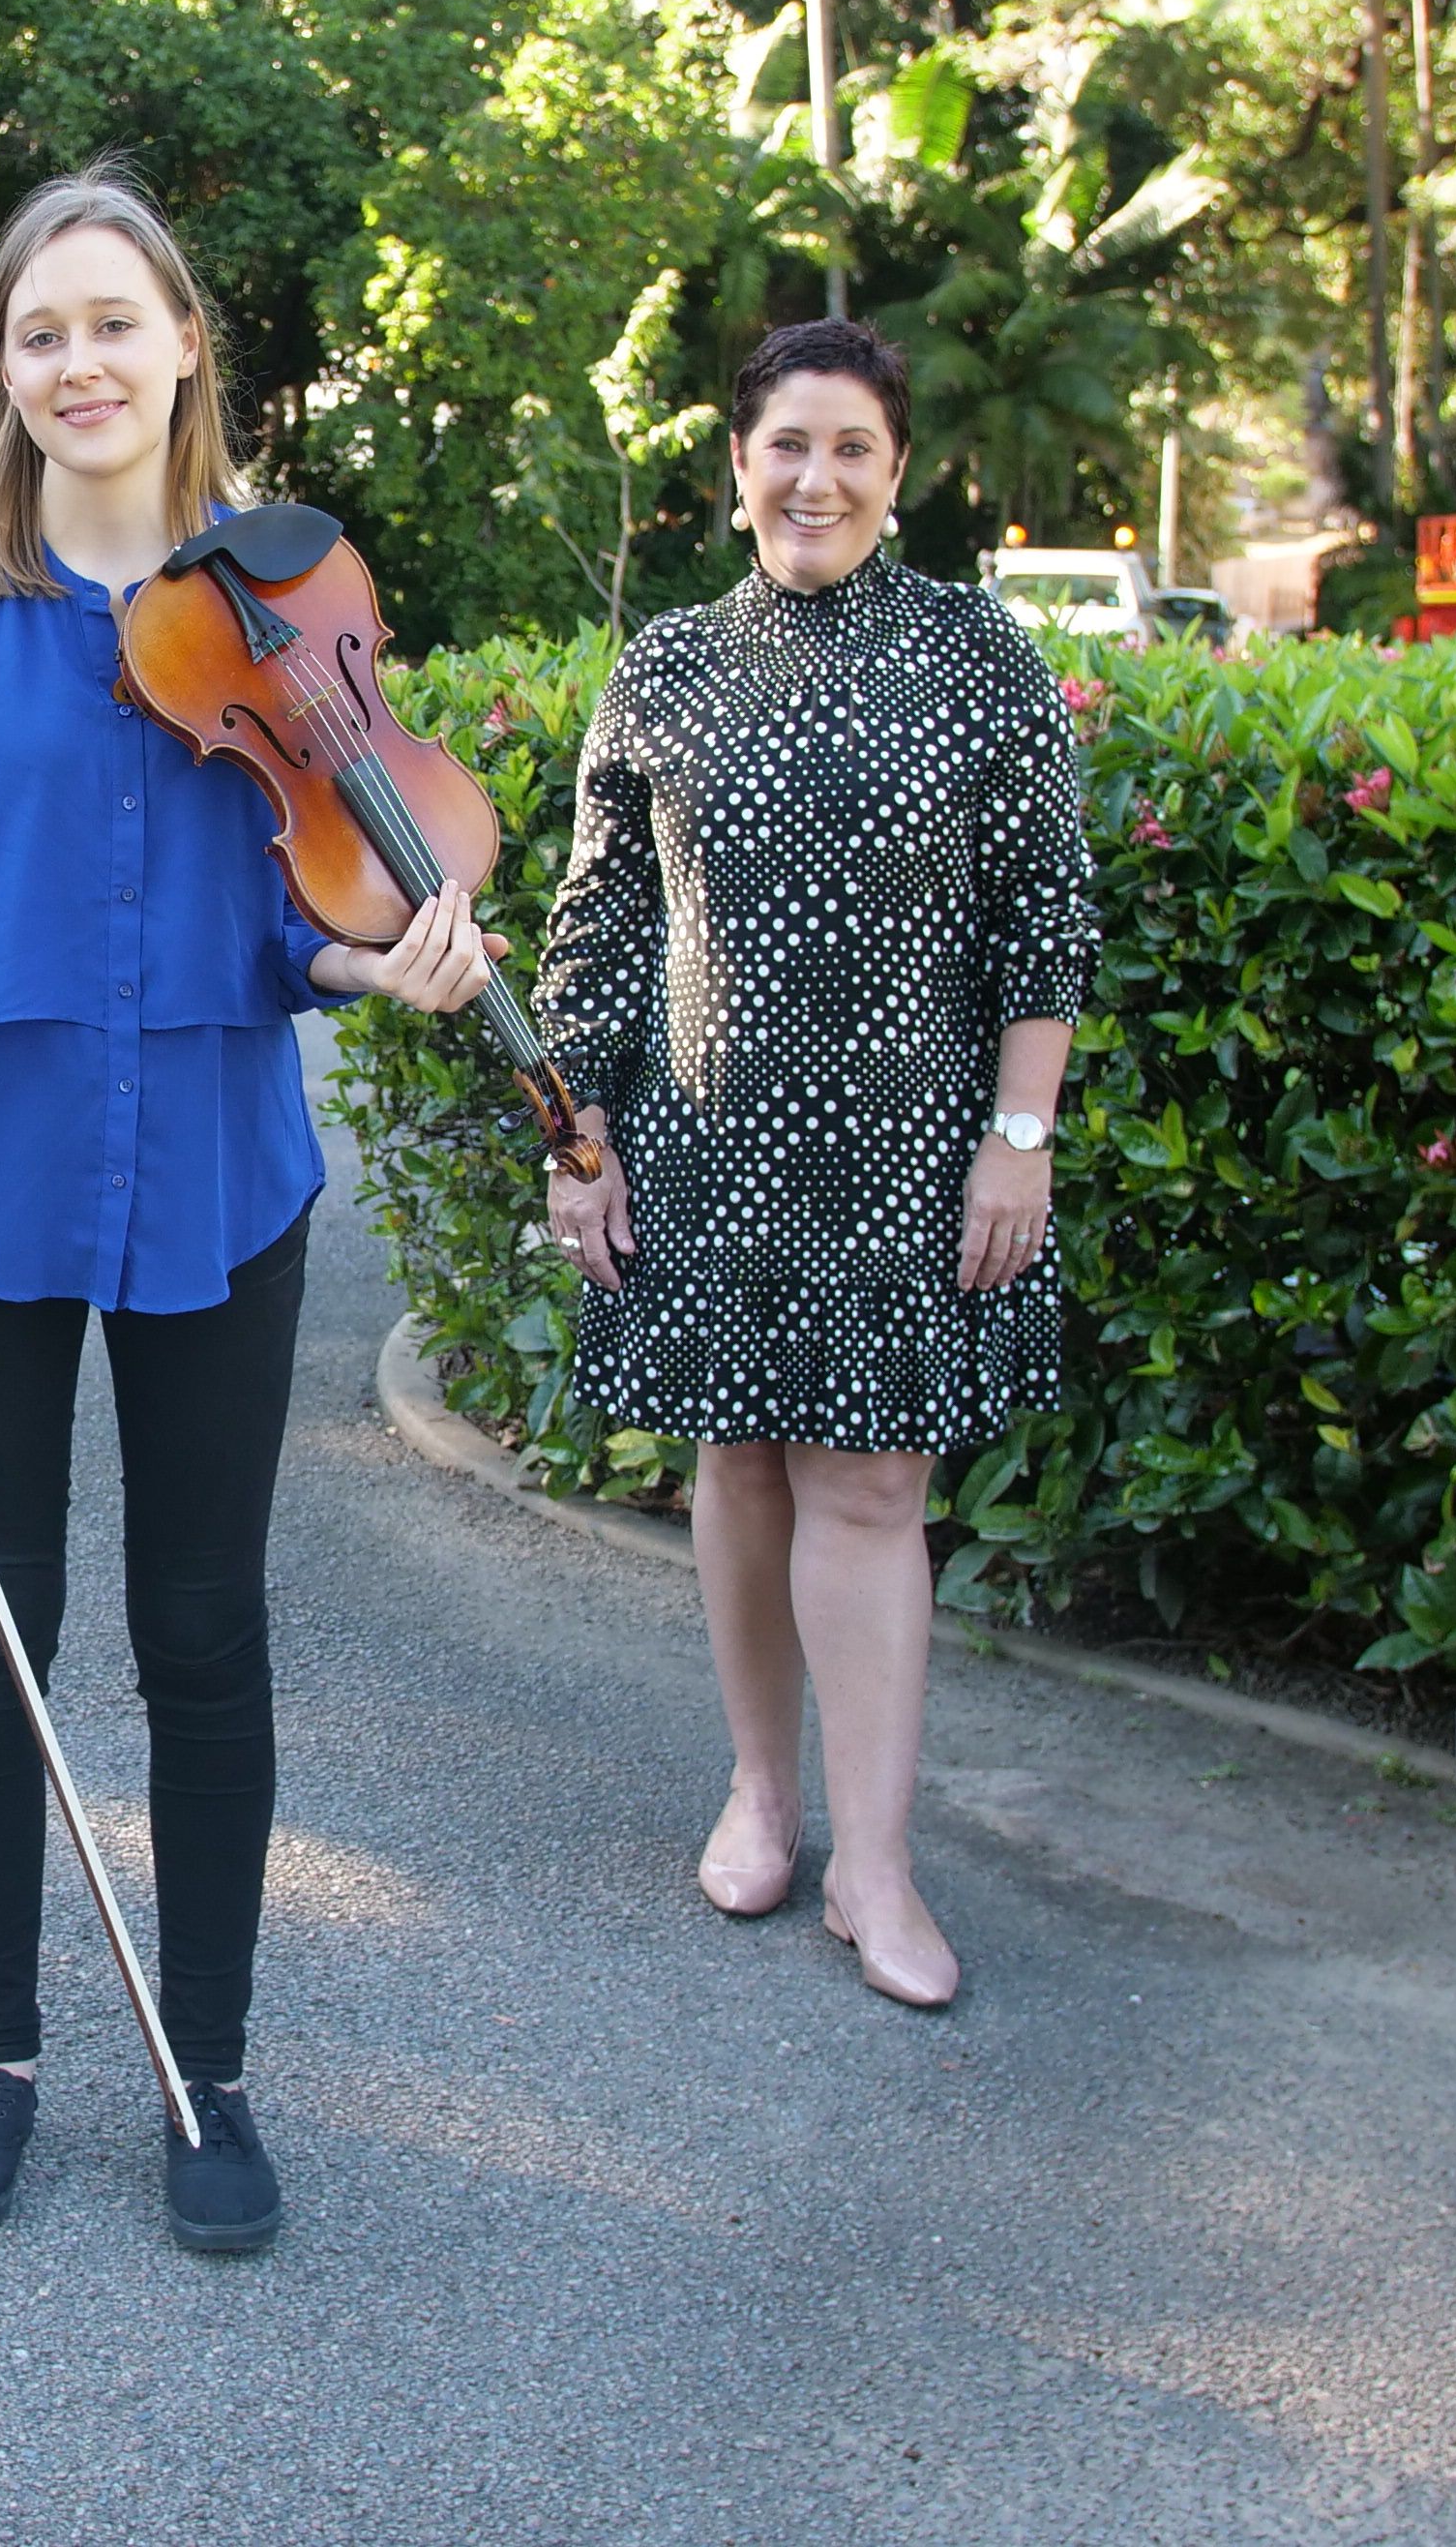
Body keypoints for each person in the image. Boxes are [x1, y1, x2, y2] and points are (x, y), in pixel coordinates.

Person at [0, 167, 498, 2253]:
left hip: (216, 1156)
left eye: (114, 322)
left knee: (201, 1629)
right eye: (40, 333)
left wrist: (374, 961)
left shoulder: (281, 614)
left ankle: (210, 2061)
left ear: (187, 342)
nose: (80, 362)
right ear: (5, 373)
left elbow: (291, 899)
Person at [527, 316, 1097, 2011]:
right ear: (737, 466)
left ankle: (879, 1861)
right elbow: (599, 930)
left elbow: (1047, 926)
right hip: (711, 1147)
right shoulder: (669, 667)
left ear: (898, 474)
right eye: (787, 444)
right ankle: (762, 1795)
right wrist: (576, 1141)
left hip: (917, 1158)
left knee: (872, 1490)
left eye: (851, 447)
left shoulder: (981, 660)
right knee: (746, 1471)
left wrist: (1021, 1139)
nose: (815, 477)